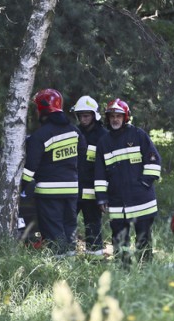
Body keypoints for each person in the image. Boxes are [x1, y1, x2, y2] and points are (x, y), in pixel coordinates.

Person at [94, 98, 161, 266]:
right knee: (119, 238)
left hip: (142, 200)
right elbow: (100, 172)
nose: (115, 119)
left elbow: (154, 160)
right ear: (107, 118)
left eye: (118, 116)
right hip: (117, 201)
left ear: (126, 117)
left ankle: (146, 268)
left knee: (143, 238)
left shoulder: (138, 135)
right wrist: (101, 197)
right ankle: (123, 269)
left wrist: (144, 184)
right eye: (112, 116)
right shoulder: (104, 142)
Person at [22, 89, 87, 256]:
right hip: (72, 190)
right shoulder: (75, 132)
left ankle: (59, 269)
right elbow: (82, 159)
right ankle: (71, 265)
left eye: (37, 108)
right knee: (69, 227)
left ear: (43, 109)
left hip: (49, 192)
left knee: (53, 230)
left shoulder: (40, 136)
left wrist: (20, 187)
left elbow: (30, 169)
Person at [71, 95, 108, 256]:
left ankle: (96, 256)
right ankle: (66, 253)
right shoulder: (75, 132)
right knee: (69, 222)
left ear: (94, 115)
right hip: (74, 187)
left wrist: (103, 193)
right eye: (81, 115)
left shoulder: (103, 136)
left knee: (93, 224)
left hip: (93, 188)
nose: (83, 119)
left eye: (86, 115)